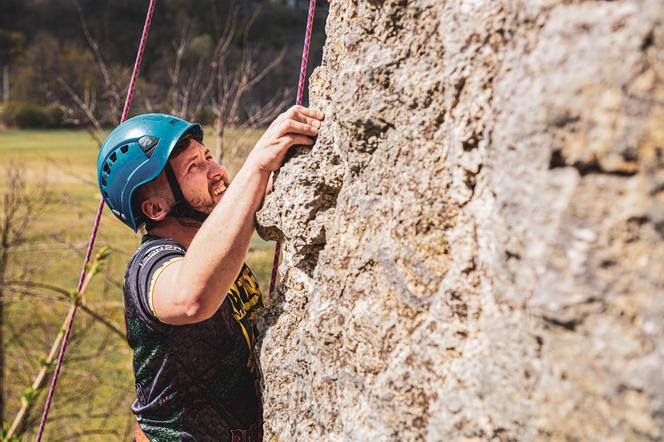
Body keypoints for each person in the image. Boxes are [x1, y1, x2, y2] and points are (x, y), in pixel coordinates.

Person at [96, 106, 324, 441]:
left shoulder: (215, 239)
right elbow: (191, 298)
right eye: (194, 168)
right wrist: (256, 166)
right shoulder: (148, 266)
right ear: (156, 209)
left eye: (209, 157)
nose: (216, 170)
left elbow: (231, 219)